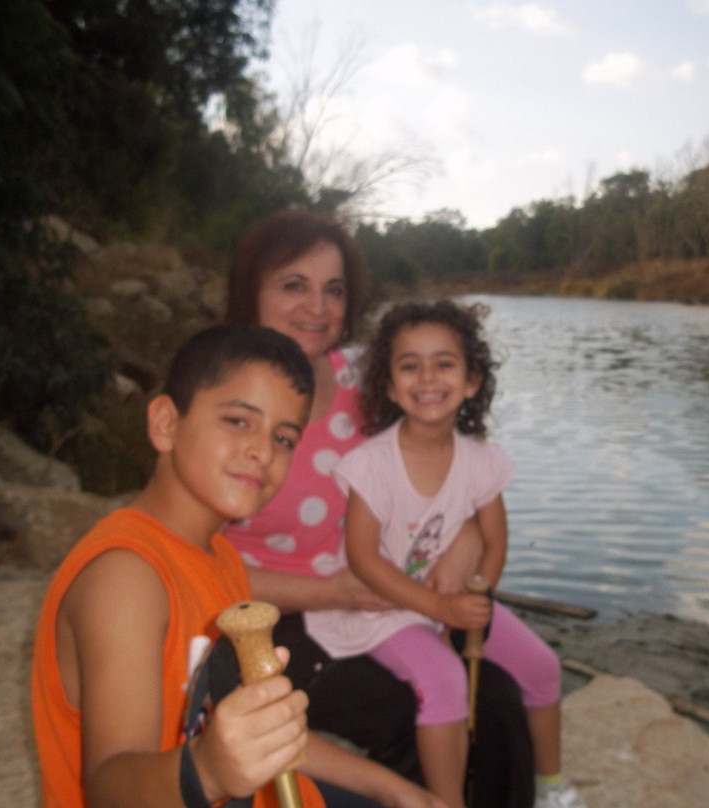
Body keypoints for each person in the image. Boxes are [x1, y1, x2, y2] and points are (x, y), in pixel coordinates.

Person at [223, 208, 535, 808]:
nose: (317, 308)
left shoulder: (368, 377)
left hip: (391, 594)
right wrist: (328, 592)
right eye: (294, 285)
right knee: (411, 716)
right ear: (250, 294)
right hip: (284, 620)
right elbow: (190, 560)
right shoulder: (222, 406)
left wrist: (469, 535)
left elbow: (455, 456)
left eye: (334, 290)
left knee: (494, 696)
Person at [306, 300, 585, 808]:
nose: (428, 378)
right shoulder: (371, 465)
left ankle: (552, 787)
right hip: (383, 608)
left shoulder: (480, 460)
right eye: (410, 365)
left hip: (451, 599)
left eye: (444, 363)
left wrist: (477, 602)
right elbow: (363, 559)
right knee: (444, 680)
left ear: (472, 380)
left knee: (542, 666)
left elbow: (494, 540)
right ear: (390, 387)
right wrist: (437, 610)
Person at [31, 324, 323, 808]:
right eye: (238, 421)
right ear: (166, 423)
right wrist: (206, 770)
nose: (263, 451)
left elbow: (262, 732)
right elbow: (108, 788)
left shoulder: (221, 558)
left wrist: (389, 787)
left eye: (284, 437)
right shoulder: (126, 577)